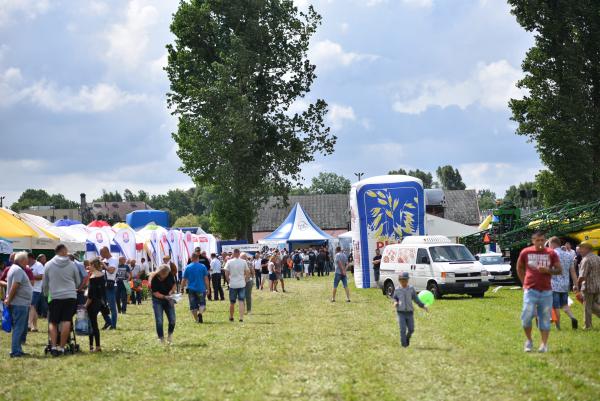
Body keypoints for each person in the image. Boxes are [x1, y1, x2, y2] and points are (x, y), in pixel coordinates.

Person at [516, 231, 562, 353]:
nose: (540, 242)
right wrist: (524, 282)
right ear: (533, 241)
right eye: (537, 240)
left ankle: (544, 344)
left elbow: (559, 270)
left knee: (545, 318)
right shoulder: (526, 252)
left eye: (542, 240)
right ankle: (529, 341)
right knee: (526, 316)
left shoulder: (551, 253)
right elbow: (519, 267)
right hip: (530, 289)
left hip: (546, 291)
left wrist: (548, 270)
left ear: (545, 240)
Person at [42, 244, 82, 357]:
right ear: (63, 251)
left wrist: (46, 295)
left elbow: (45, 283)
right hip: (70, 296)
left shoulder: (48, 264)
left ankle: (54, 346)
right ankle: (62, 347)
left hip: (55, 296)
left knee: (53, 322)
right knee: (66, 321)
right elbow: (78, 281)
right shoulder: (72, 264)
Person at [4, 251, 33, 357]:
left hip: (19, 303)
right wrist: (9, 300)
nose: (27, 262)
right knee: (19, 328)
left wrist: (9, 300)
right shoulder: (18, 270)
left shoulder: (14, 269)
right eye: (26, 260)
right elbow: (15, 286)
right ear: (22, 260)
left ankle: (17, 349)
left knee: (18, 328)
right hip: (19, 304)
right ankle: (15, 351)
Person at [548, 237, 578, 330]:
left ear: (552, 244)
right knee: (565, 305)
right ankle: (573, 318)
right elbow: (573, 272)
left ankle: (558, 327)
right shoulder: (568, 255)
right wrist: (576, 285)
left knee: (555, 306)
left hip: (554, 285)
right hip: (565, 285)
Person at [393, 272, 428, 347]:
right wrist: (395, 302)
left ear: (407, 280)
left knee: (411, 329)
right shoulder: (397, 290)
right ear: (399, 281)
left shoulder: (411, 289)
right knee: (402, 329)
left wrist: (423, 305)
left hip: (409, 313)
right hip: (401, 312)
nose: (403, 282)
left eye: (405, 280)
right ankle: (404, 345)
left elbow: (416, 299)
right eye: (402, 280)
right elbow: (395, 298)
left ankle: (407, 338)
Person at [151, 264, 177, 344]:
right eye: (164, 275)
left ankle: (170, 335)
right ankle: (161, 338)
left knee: (172, 320)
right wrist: (165, 297)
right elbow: (155, 293)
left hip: (169, 299)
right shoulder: (154, 279)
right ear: (160, 273)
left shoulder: (170, 275)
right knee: (159, 320)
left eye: (166, 274)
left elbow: (174, 285)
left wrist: (171, 292)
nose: (165, 276)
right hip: (157, 300)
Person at [577, 242, 600, 329]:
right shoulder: (598, 258)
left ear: (587, 249)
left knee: (587, 307)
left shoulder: (586, 259)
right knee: (593, 305)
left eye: (581, 248)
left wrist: (577, 286)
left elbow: (582, 276)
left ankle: (587, 326)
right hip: (598, 286)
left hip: (588, 287)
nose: (579, 251)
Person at [182, 253, 210, 323]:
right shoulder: (203, 266)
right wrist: (208, 288)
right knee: (202, 304)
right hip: (201, 289)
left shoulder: (187, 267)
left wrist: (182, 288)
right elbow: (206, 279)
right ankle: (200, 313)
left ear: (191, 259)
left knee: (193, 306)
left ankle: (197, 320)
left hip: (191, 289)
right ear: (198, 258)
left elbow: (184, 279)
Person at [86, 258, 106, 352]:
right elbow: (102, 291)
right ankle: (97, 346)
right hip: (99, 302)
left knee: (91, 325)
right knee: (94, 325)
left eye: (90, 265)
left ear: (93, 265)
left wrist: (85, 306)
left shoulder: (93, 277)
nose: (88, 267)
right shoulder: (102, 275)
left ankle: (92, 346)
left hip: (92, 303)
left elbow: (90, 295)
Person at [224, 249, 249, 322]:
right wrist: (245, 280)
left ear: (233, 253)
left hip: (233, 284)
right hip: (241, 283)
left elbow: (226, 273)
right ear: (239, 253)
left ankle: (231, 317)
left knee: (232, 302)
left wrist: (229, 281)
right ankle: (241, 318)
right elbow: (247, 272)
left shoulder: (229, 261)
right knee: (241, 301)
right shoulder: (243, 262)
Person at [100, 246, 118, 330]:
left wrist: (103, 264)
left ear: (106, 252)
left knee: (112, 306)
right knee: (101, 305)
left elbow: (111, 271)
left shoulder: (113, 260)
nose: (101, 255)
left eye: (101, 253)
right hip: (103, 285)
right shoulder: (105, 260)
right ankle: (108, 321)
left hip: (111, 285)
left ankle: (113, 325)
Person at [28, 252, 44, 332]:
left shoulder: (39, 265)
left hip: (36, 289)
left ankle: (29, 324)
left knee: (32, 306)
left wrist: (30, 276)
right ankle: (34, 326)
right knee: (33, 307)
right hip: (29, 289)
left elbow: (41, 276)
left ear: (30, 258)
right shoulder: (27, 265)